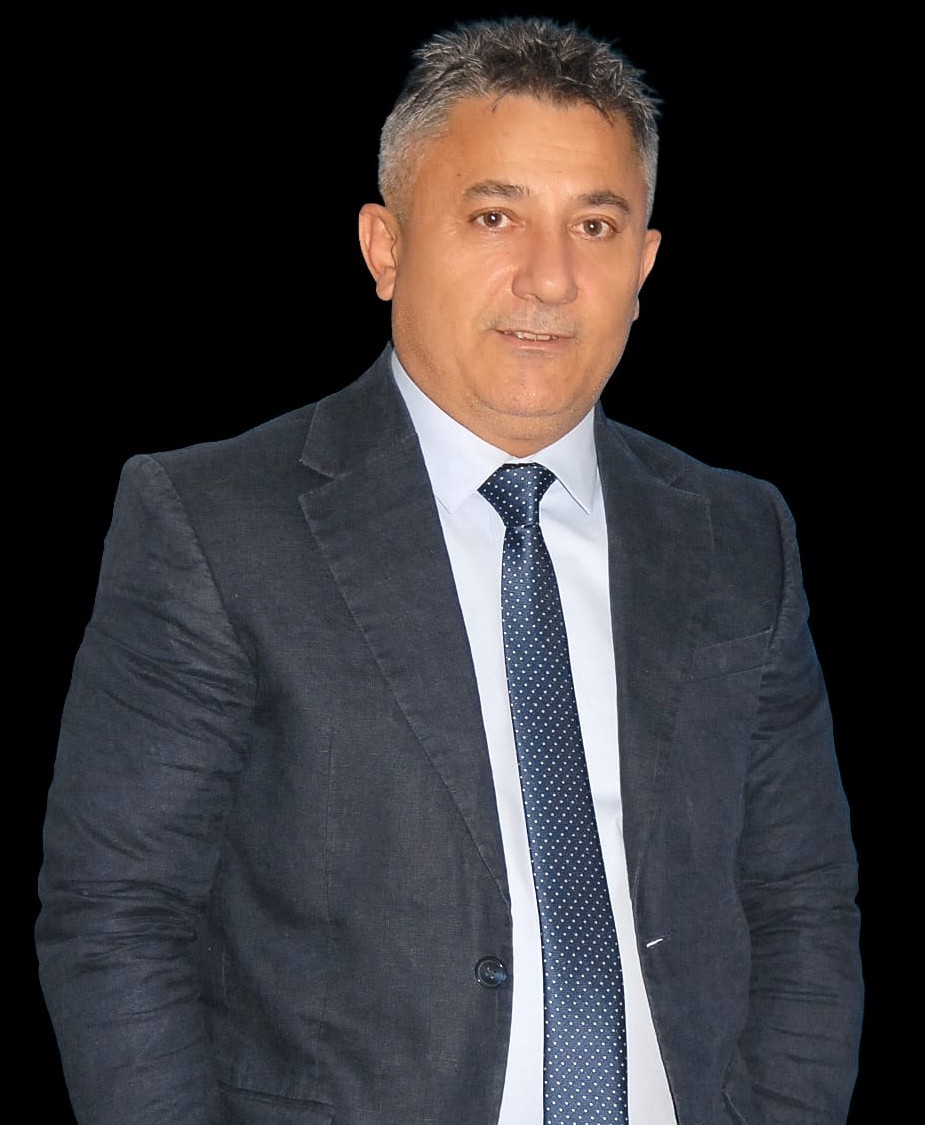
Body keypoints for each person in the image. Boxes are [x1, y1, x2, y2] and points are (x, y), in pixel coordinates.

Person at [36, 16, 863, 1125]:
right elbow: (116, 918)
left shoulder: (738, 534)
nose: (550, 277)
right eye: (493, 216)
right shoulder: (213, 525)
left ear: (644, 265)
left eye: (595, 225)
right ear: (384, 248)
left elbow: (804, 905)